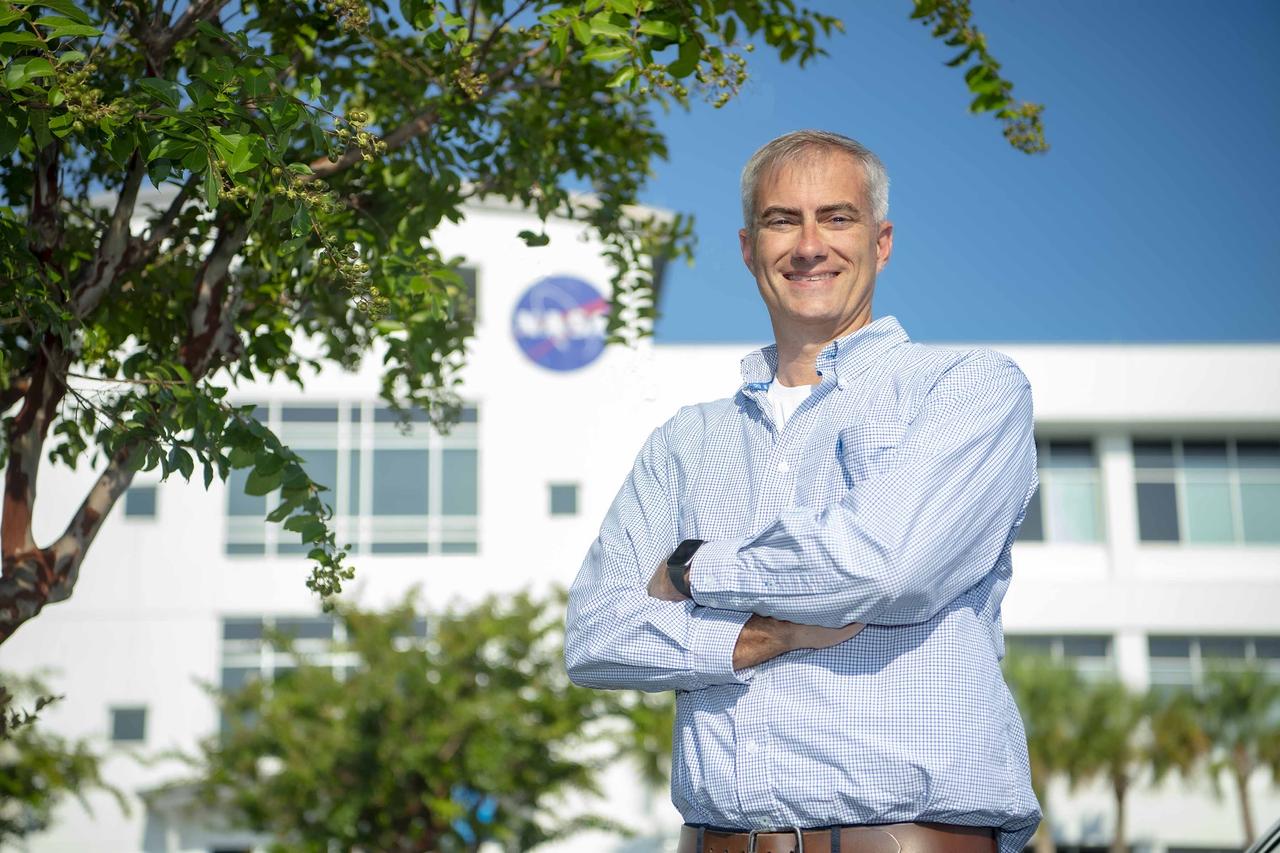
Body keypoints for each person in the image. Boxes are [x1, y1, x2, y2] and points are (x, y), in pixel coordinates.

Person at [565, 130, 1041, 853]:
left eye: (837, 218)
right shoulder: (684, 441)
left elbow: (883, 565)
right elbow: (595, 635)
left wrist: (694, 568)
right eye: (782, 220)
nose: (809, 245)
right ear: (749, 247)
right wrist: (761, 635)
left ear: (881, 242)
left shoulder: (966, 387)